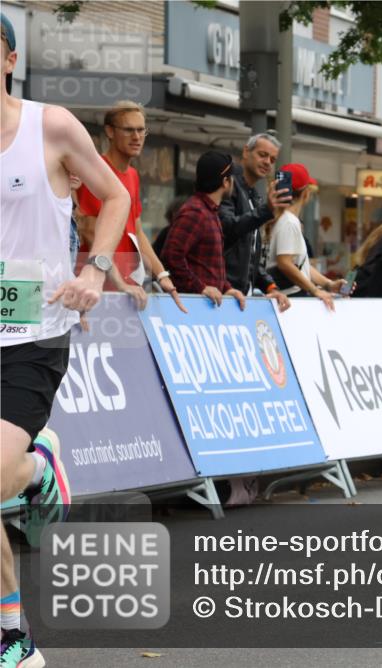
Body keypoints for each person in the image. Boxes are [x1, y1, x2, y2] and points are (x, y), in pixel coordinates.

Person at [1, 13, 131, 666]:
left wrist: (94, 269)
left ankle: (39, 468)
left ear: (8, 59)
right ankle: (11, 638)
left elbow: (113, 198)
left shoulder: (47, 126)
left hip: (34, 335)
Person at [74, 100, 186, 313]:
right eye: (128, 130)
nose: (136, 137)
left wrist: (162, 275)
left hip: (126, 291)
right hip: (94, 291)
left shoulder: (133, 175)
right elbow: (89, 231)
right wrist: (119, 284)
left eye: (141, 130)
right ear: (109, 131)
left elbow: (137, 231)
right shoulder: (97, 170)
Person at [160, 151, 247, 310]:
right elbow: (171, 256)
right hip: (193, 308)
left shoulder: (208, 211)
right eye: (232, 178)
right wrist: (200, 287)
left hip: (204, 308)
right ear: (225, 182)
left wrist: (227, 288)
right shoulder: (196, 212)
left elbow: (209, 265)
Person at [219, 132, 292, 313]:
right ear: (246, 152)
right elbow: (227, 228)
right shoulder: (229, 185)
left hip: (242, 296)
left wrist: (271, 287)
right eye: (262, 155)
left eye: (272, 159)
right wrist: (265, 211)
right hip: (223, 293)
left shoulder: (254, 195)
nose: (268, 162)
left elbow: (251, 256)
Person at [264, 164, 342, 311]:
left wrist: (328, 284)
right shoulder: (289, 221)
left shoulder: (280, 218)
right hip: (290, 299)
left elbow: (301, 265)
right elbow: (285, 263)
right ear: (306, 194)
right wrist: (315, 290)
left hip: (284, 298)